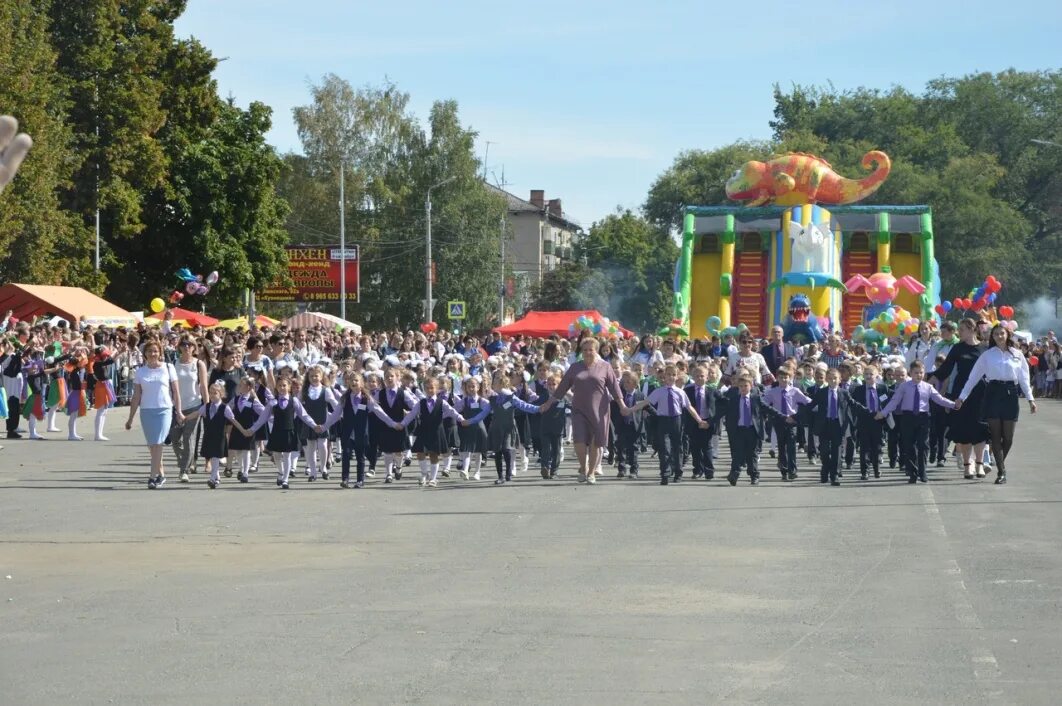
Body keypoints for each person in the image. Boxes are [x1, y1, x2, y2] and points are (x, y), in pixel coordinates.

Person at [955, 324, 1036, 485]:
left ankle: (997, 460)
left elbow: (1024, 379)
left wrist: (1031, 399)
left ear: (1008, 335)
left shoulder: (1017, 354)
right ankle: (1001, 471)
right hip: (993, 393)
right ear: (992, 336)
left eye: (1002, 333)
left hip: (1010, 394)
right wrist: (962, 397)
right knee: (996, 436)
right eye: (996, 334)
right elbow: (973, 378)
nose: (999, 336)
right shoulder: (987, 355)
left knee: (1008, 438)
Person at [541, 338, 631, 483]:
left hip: (599, 409)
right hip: (579, 409)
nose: (588, 352)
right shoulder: (575, 367)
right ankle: (583, 467)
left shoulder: (605, 366)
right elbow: (562, 387)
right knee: (579, 439)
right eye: (585, 350)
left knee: (596, 442)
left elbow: (614, 388)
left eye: (591, 349)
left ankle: (591, 472)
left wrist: (622, 406)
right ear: (581, 352)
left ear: (596, 351)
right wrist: (548, 403)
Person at [876, 361, 956, 483]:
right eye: (916, 373)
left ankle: (922, 472)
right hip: (907, 417)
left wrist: (954, 405)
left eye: (921, 373)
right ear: (910, 373)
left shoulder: (928, 387)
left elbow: (939, 399)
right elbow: (894, 401)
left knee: (923, 445)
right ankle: (912, 473)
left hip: (923, 417)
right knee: (909, 446)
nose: (919, 375)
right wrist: (883, 413)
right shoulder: (904, 386)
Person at [630, 364, 709, 485]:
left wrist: (699, 420)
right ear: (664, 377)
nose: (671, 377)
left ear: (677, 377)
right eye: (668, 374)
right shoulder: (659, 391)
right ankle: (665, 473)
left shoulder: (680, 392)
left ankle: (678, 472)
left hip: (676, 420)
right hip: (663, 420)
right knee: (664, 448)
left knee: (678, 447)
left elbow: (689, 407)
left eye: (673, 375)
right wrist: (630, 409)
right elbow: (645, 403)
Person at [125, 341, 184, 489]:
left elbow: (176, 392)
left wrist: (179, 411)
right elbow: (136, 396)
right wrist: (130, 418)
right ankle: (161, 474)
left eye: (156, 351)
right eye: (150, 351)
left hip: (164, 409)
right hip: (147, 411)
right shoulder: (141, 372)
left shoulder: (168, 368)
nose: (153, 354)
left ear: (160, 353)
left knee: (158, 443)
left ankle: (152, 477)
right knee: (152, 446)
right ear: (145, 354)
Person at [713, 373, 783, 486]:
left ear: (751, 386)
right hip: (738, 430)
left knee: (752, 454)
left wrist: (783, 416)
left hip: (752, 430)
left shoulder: (755, 398)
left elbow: (768, 408)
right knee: (737, 454)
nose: (743, 388)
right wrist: (709, 422)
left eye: (746, 386)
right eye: (741, 386)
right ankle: (734, 474)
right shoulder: (734, 399)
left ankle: (754, 475)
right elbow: (721, 412)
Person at [763, 366, 812, 481]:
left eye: (786, 377)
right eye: (781, 377)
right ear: (777, 378)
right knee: (781, 447)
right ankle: (783, 469)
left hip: (792, 421)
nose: (784, 380)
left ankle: (792, 470)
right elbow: (763, 403)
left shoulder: (795, 391)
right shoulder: (773, 392)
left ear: (790, 378)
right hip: (779, 421)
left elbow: (807, 401)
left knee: (791, 447)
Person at [170, 335, 208, 482]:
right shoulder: (174, 364)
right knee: (174, 439)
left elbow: (204, 386)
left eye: (190, 344)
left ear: (194, 347)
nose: (187, 347)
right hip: (177, 406)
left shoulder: (199, 364)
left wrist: (207, 406)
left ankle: (184, 470)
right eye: (184, 344)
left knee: (188, 438)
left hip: (194, 406)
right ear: (179, 346)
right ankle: (186, 460)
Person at [849, 364, 888, 479]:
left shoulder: (882, 388)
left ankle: (877, 469)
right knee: (864, 447)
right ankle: (865, 471)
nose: (868, 376)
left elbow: (886, 402)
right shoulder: (858, 389)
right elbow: (855, 405)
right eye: (866, 374)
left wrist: (882, 414)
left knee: (877, 447)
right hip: (864, 420)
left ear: (877, 376)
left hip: (878, 420)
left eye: (871, 374)